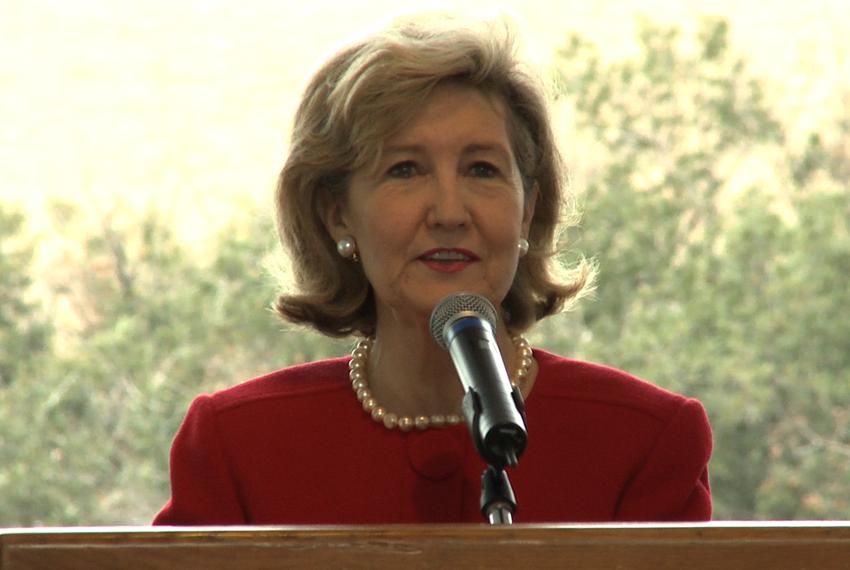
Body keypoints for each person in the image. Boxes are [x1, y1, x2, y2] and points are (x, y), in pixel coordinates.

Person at [153, 15, 712, 525]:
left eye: (482, 170)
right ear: (337, 213)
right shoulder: (238, 444)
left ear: (530, 209)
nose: (449, 212)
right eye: (405, 169)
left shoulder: (643, 440)